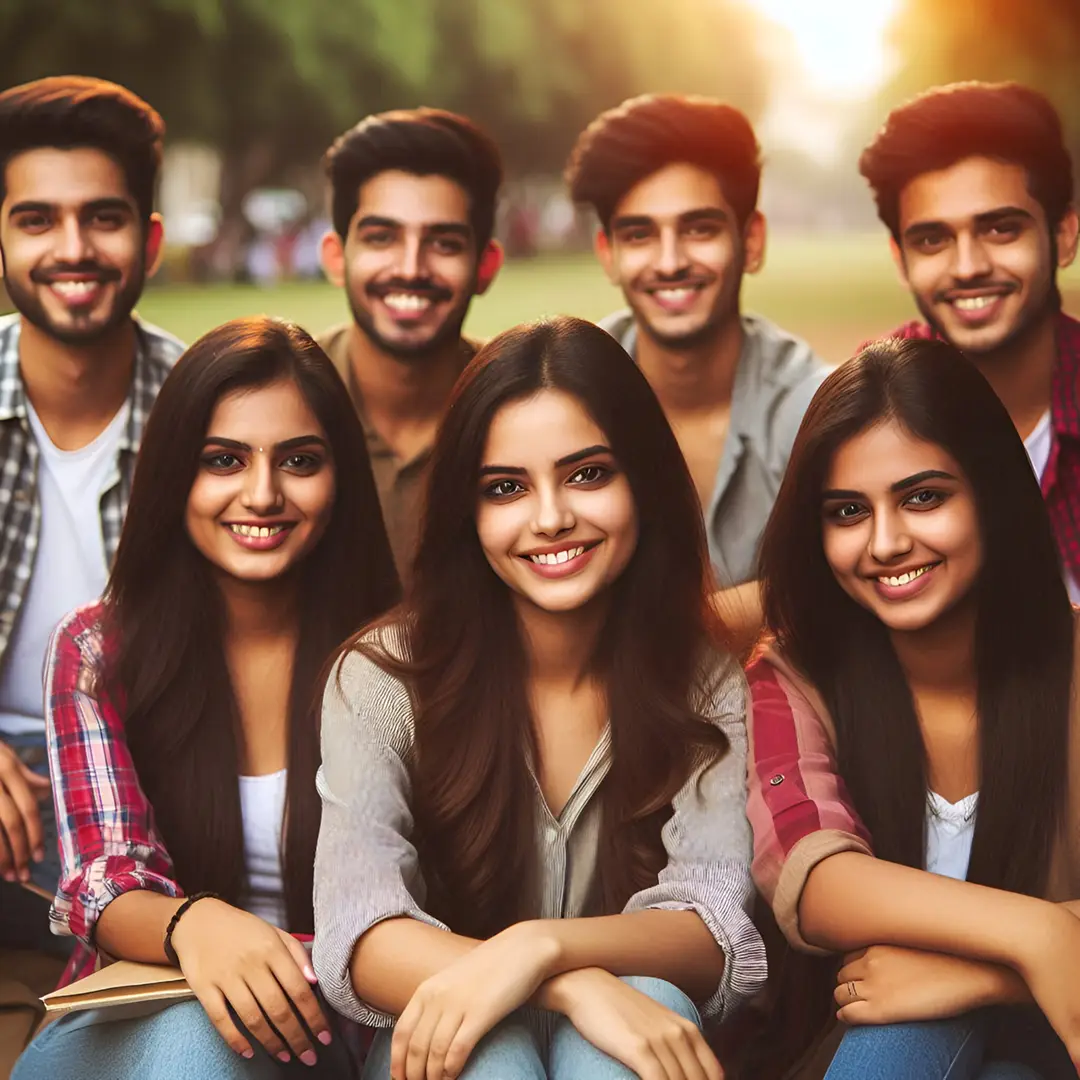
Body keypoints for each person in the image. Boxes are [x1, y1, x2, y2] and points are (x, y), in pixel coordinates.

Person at [313, 316, 767, 1079]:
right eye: (506, 488)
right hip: (444, 1040)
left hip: (635, 1034)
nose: (551, 516)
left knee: (637, 1022)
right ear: (468, 512)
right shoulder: (383, 679)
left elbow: (713, 923)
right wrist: (568, 983)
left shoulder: (707, 681)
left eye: (588, 473)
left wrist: (540, 946)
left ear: (643, 482)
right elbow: (361, 930)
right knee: (484, 1053)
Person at [12, 318, 400, 1079]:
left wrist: (282, 963)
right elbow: (103, 878)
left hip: (333, 1019)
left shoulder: (402, 656)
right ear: (171, 475)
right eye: (223, 460)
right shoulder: (96, 649)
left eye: (299, 461)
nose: (262, 494)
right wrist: (199, 924)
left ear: (341, 477)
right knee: (195, 1041)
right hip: (141, 1009)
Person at [746, 337, 1080, 1079]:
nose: (888, 542)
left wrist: (983, 975)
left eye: (923, 496)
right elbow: (817, 878)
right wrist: (1038, 934)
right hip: (860, 1048)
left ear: (990, 491)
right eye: (847, 512)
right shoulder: (793, 678)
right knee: (920, 1036)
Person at [0, 75, 185, 962]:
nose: (72, 248)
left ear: (148, 238)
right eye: (36, 219)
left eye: (102, 218)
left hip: (152, 775)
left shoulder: (208, 416)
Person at [565, 93, 828, 651]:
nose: (669, 261)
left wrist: (645, 632)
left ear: (751, 240)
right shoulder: (562, 389)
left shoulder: (814, 402)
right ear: (607, 252)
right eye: (639, 235)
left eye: (698, 229)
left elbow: (847, 577)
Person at [860, 81, 1080, 602]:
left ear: (1064, 236)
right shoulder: (863, 409)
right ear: (900, 258)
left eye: (1001, 230)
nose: (968, 267)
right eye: (932, 240)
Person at [318, 107, 504, 583]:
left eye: (443, 243)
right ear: (336, 258)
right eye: (382, 238)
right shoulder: (283, 401)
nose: (410, 268)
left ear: (486, 265)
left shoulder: (522, 403)